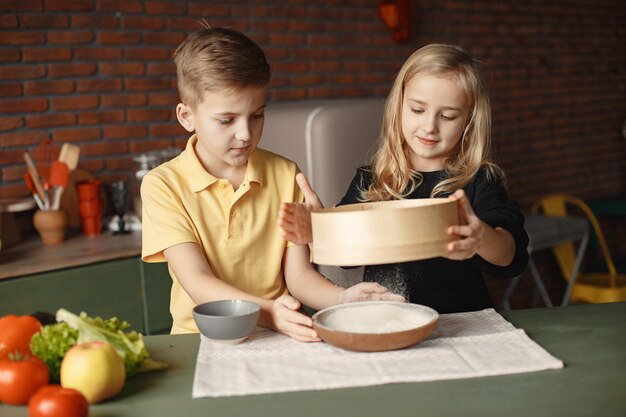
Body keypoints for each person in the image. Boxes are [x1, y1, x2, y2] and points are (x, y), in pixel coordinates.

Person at [141, 26, 403, 341]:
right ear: (187, 116)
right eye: (227, 120)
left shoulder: (285, 174)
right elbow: (197, 281)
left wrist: (343, 300)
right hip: (199, 339)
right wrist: (270, 311)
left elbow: (299, 277)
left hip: (282, 334)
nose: (245, 134)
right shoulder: (162, 185)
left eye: (257, 115)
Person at [279, 43, 529, 314]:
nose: (430, 126)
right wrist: (318, 229)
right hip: (388, 321)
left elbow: (509, 257)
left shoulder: (480, 180)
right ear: (398, 106)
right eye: (417, 110)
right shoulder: (371, 180)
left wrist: (481, 238)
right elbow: (345, 258)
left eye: (448, 116)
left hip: (461, 324)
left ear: (469, 121)